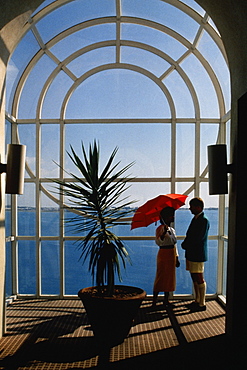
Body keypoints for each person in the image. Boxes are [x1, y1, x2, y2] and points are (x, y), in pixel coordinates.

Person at [181, 197, 210, 311]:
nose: (190, 209)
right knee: (194, 276)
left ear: (198, 207)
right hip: (193, 253)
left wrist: (186, 245)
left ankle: (202, 303)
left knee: (199, 277)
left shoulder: (203, 220)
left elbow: (198, 238)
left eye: (191, 206)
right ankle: (197, 300)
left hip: (197, 254)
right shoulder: (197, 219)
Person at [152, 207, 180, 308]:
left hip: (171, 254)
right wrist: (163, 235)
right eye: (171, 216)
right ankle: (154, 301)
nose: (173, 217)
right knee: (161, 276)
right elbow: (158, 242)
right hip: (163, 254)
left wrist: (177, 257)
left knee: (169, 278)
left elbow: (174, 244)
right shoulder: (160, 229)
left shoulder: (172, 230)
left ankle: (166, 300)